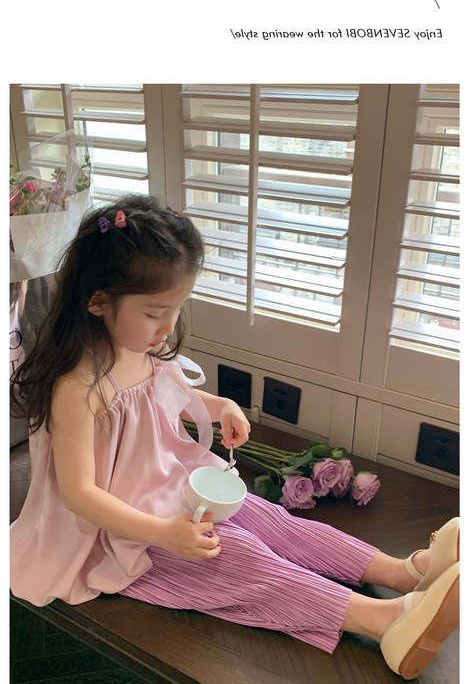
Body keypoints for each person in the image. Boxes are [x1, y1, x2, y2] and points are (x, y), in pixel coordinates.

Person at [10, 194, 459, 681]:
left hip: (172, 492)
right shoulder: (77, 387)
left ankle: (400, 572)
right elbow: (79, 494)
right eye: (156, 312)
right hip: (122, 530)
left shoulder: (139, 346)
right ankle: (382, 621)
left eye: (178, 308)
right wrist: (161, 533)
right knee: (239, 556)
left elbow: (170, 394)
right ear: (97, 300)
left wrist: (220, 405)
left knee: (272, 520)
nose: (169, 327)